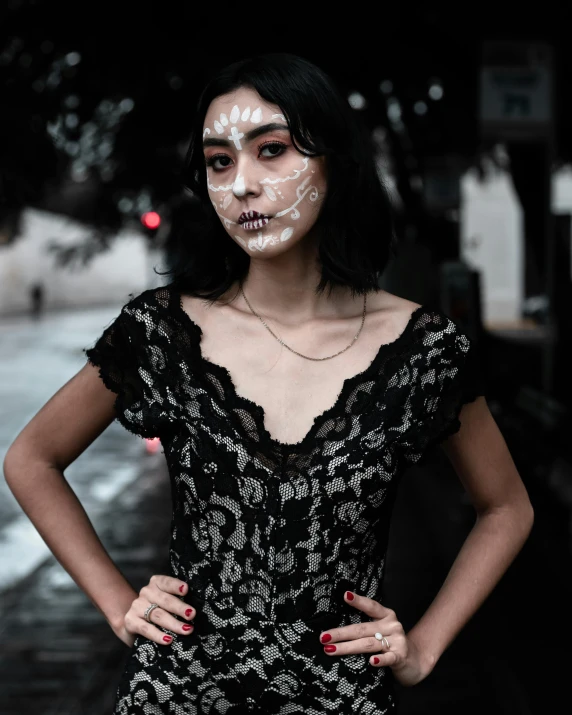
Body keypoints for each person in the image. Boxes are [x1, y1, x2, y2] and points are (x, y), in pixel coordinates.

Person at [3, 53, 534, 714]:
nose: (243, 184)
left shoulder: (423, 349)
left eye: (272, 150)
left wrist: (423, 645)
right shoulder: (161, 332)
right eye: (219, 161)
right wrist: (118, 600)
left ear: (333, 161)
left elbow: (507, 507)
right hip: (177, 695)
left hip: (344, 699)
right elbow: (30, 458)